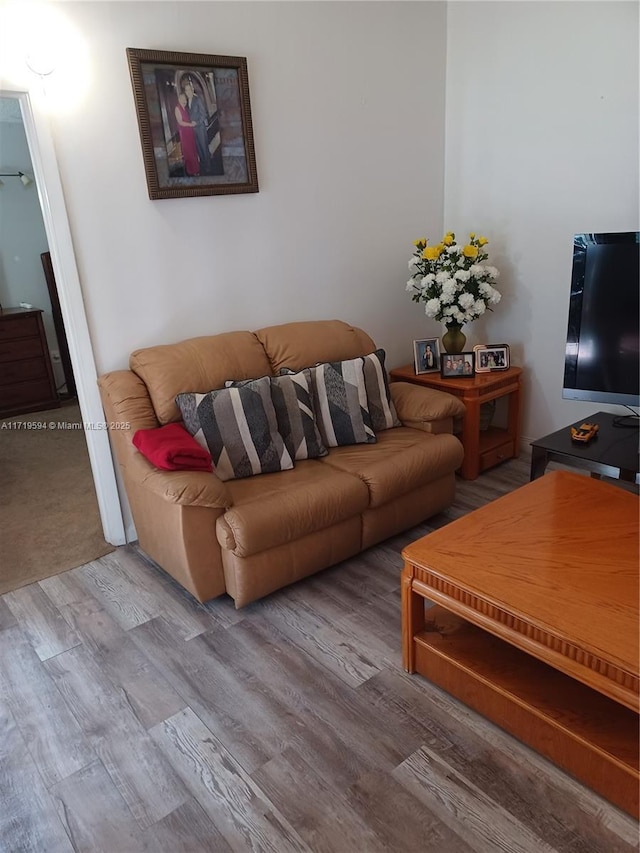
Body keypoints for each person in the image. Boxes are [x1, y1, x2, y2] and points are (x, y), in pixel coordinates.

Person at [184, 81, 211, 174]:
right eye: (186, 91)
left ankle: (208, 167)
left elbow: (204, 114)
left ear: (192, 90)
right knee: (198, 148)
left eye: (189, 90)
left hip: (200, 128)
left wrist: (197, 123)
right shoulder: (187, 102)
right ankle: (203, 165)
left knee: (204, 148)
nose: (188, 92)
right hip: (192, 130)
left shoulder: (198, 99)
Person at [174, 93, 199, 176]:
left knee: (192, 150)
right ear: (178, 99)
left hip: (189, 132)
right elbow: (180, 122)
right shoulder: (177, 108)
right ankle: (192, 171)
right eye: (182, 98)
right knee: (189, 152)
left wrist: (192, 123)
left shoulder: (185, 108)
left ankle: (196, 169)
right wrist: (191, 124)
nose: (184, 100)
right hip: (184, 133)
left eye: (185, 99)